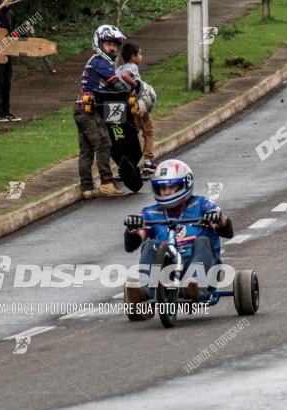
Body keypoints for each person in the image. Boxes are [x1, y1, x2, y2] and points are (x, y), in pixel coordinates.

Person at [123, 159, 234, 302]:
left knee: (202, 241)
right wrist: (132, 229)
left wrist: (218, 218)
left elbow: (226, 230)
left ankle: (195, 285)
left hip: (203, 267)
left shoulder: (200, 204)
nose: (165, 192)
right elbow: (132, 243)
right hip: (166, 268)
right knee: (149, 245)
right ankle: (144, 290)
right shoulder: (150, 213)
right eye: (162, 188)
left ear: (184, 184)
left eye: (170, 187)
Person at [74, 25, 129, 198]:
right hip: (89, 110)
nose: (113, 48)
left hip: (82, 108)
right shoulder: (100, 62)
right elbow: (116, 86)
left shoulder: (96, 61)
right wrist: (130, 93)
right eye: (108, 44)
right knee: (104, 143)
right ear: (99, 43)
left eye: (115, 44)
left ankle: (87, 188)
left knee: (87, 150)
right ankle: (106, 183)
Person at [117, 42, 156, 175]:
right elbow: (125, 76)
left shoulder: (119, 68)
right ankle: (148, 161)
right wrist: (136, 85)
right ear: (133, 57)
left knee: (129, 134)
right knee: (148, 131)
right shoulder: (132, 67)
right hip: (137, 104)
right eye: (140, 54)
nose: (141, 56)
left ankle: (125, 163)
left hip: (125, 106)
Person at [0, 1, 24, 122]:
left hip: (8, 53)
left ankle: (6, 111)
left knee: (7, 82)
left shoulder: (11, 14)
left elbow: (12, 34)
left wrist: (24, 30)